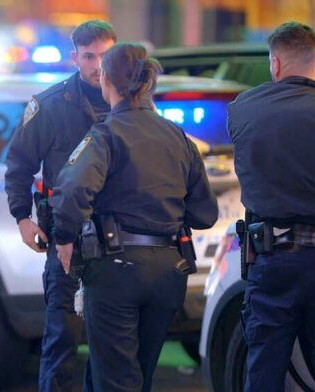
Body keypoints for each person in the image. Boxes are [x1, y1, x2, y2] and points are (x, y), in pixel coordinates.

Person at [51, 42, 219, 392]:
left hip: (116, 270)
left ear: (106, 81)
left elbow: (71, 192)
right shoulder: (177, 136)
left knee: (116, 380)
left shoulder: (105, 134)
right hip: (169, 273)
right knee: (136, 376)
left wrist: (65, 238)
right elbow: (205, 213)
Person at [227, 21, 315, 392]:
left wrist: (310, 85)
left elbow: (285, 108)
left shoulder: (242, 109)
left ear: (274, 64)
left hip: (270, 260)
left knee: (264, 370)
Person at [4, 20, 116, 391]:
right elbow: (19, 164)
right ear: (75, 58)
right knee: (62, 339)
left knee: (112, 348)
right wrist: (22, 217)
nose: (98, 65)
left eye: (105, 55)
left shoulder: (129, 105)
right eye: (89, 56)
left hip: (120, 238)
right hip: (66, 238)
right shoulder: (50, 106)